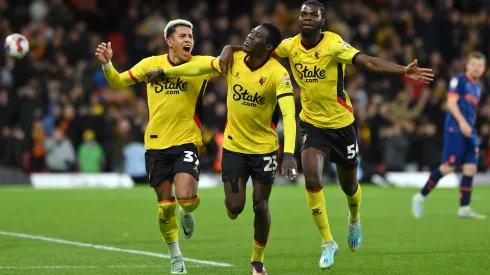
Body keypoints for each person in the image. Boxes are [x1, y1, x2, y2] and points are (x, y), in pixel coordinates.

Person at [218, 0, 434, 270]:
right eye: (303, 14)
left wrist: (402, 69)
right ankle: (327, 241)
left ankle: (354, 217)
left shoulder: (333, 44)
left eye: (313, 15)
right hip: (312, 125)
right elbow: (261, 48)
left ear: (323, 20)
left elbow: (366, 60)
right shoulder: (290, 45)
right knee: (311, 177)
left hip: (342, 125)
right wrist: (230, 48)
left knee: (349, 186)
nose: (306, 18)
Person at [146, 22, 298, 275]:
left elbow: (289, 114)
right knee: (235, 208)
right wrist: (166, 71)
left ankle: (257, 262)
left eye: (257, 35)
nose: (250, 35)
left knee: (261, 206)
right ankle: (223, 208)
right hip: (234, 147)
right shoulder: (234, 59)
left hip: (265, 149)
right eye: (251, 31)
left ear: (269, 47)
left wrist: (290, 153)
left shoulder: (278, 74)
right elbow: (197, 66)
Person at [95, 19, 219, 274]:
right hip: (155, 144)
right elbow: (118, 82)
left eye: (191, 36)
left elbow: (224, 63)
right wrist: (108, 63)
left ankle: (188, 212)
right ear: (169, 41)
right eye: (183, 36)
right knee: (165, 208)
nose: (188, 40)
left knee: (186, 199)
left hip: (186, 140)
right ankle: (176, 257)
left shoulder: (200, 65)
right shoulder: (150, 64)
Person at [412, 52, 487, 220]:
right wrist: (462, 123)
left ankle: (464, 208)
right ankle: (420, 196)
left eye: (480, 65)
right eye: (474, 64)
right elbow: (451, 105)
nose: (476, 68)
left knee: (470, 168)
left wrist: (471, 127)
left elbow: (472, 111)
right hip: (456, 129)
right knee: (448, 167)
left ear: (483, 69)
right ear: (467, 65)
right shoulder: (458, 81)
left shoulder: (478, 87)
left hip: (470, 130)